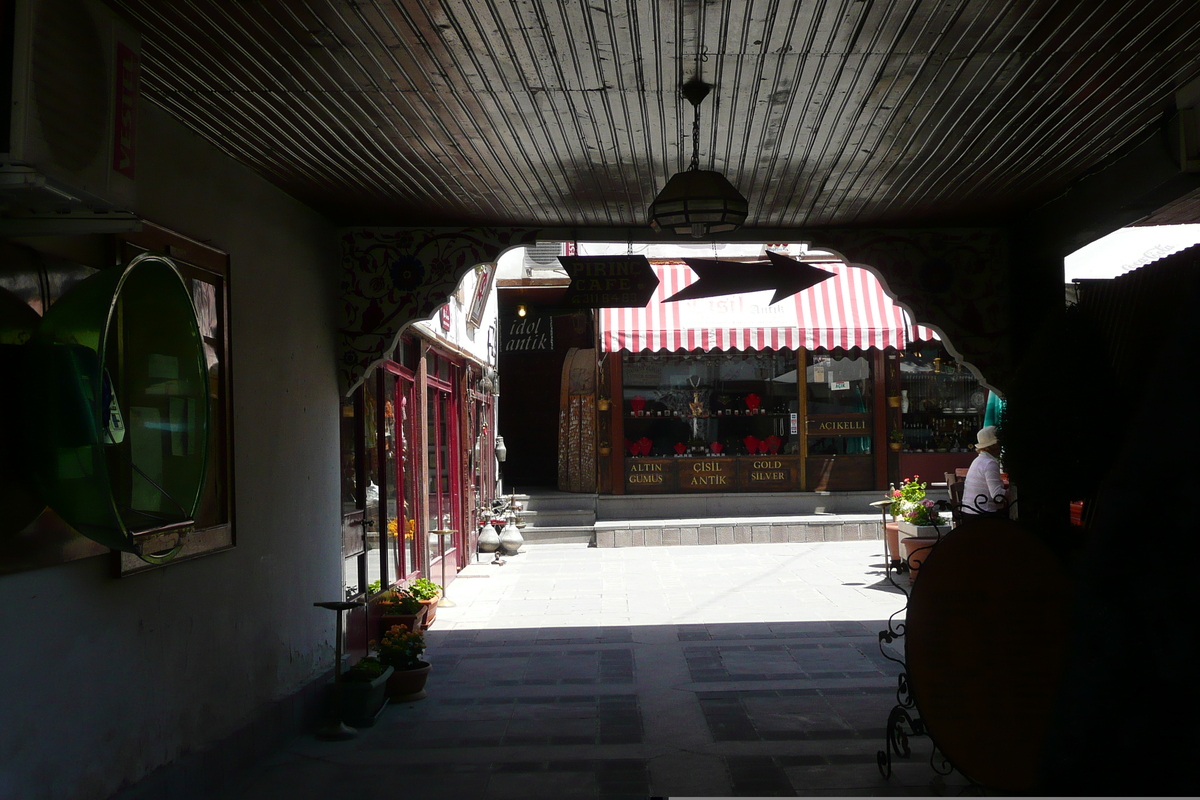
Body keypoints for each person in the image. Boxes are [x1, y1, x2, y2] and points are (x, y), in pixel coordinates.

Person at [961, 425, 1007, 515]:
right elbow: (998, 496)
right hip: (982, 515)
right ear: (994, 446)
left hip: (969, 513)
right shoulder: (990, 463)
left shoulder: (979, 460)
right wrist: (1014, 493)